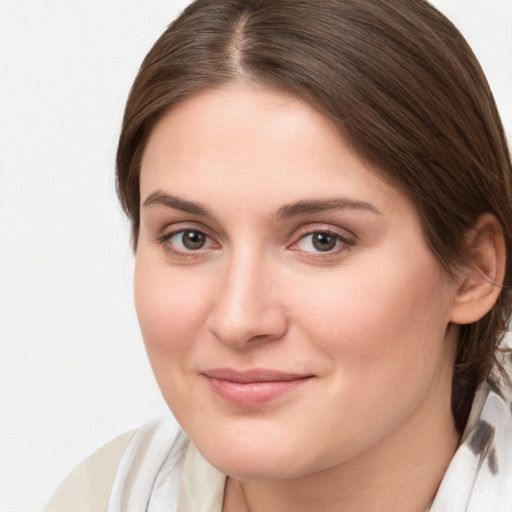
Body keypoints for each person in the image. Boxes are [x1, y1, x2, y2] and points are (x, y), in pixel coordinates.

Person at [46, 0, 512, 510]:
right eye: (190, 238)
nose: (238, 319)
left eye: (322, 240)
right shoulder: (98, 495)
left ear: (473, 272)